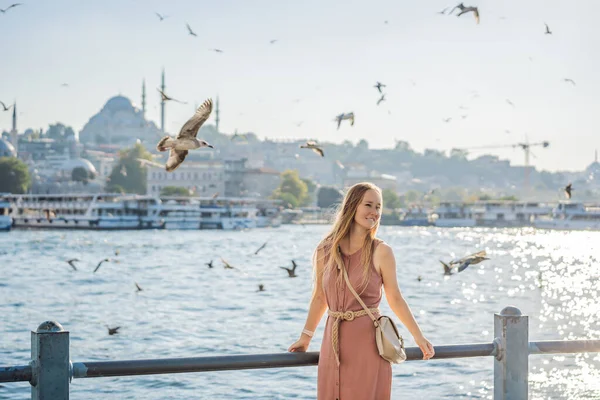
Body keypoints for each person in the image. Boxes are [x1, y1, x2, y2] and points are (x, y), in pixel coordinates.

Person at [288, 182, 435, 400]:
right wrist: (305, 337)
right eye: (369, 205)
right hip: (332, 342)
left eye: (378, 207)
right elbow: (320, 298)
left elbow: (395, 298)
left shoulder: (381, 251)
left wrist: (418, 337)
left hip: (368, 345)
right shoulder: (325, 250)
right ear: (353, 206)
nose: (374, 212)